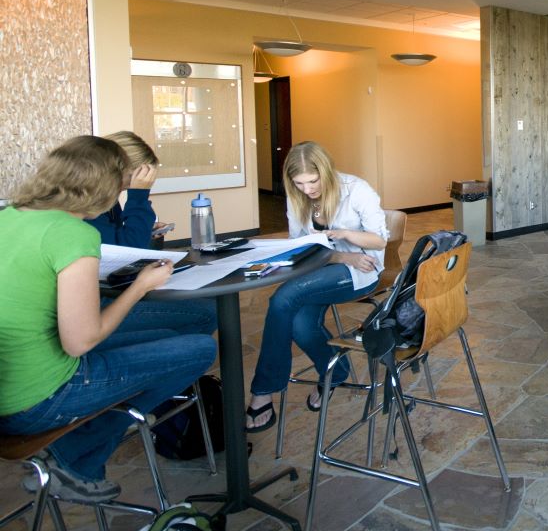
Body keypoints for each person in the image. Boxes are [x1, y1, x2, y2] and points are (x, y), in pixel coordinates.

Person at [0, 136, 216, 504]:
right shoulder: (74, 234)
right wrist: (141, 286)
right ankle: (72, 456)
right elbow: (80, 342)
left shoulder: (9, 217)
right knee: (200, 348)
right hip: (37, 400)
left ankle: (81, 457)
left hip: (12, 383)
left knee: (165, 333)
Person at [245, 141, 388, 432]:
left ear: (326, 171)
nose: (308, 189)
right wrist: (340, 254)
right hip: (323, 268)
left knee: (284, 298)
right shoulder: (297, 197)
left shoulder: (357, 189)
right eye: (299, 183)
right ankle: (335, 372)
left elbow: (380, 241)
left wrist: (346, 236)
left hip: (360, 271)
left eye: (313, 181)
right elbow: (302, 247)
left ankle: (263, 391)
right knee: (298, 325)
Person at [85, 130, 217, 340]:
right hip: (96, 303)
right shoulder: (87, 203)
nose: (126, 188)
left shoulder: (102, 198)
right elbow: (128, 250)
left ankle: (167, 355)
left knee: (201, 308)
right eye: (131, 180)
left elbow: (116, 237)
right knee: (206, 312)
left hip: (105, 291)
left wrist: (145, 229)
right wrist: (138, 196)